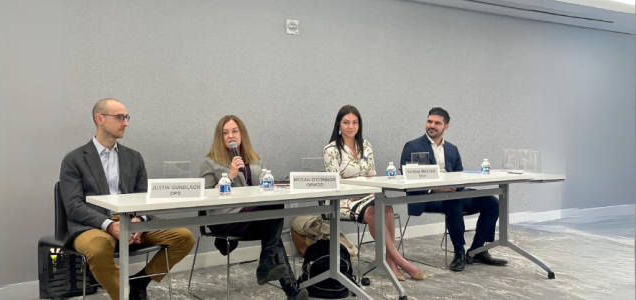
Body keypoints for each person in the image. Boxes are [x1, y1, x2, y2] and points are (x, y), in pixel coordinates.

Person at [59, 98, 195, 300]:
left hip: (130, 222)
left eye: (126, 117)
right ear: (100, 119)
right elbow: (74, 206)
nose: (126, 123)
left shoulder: (134, 157)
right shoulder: (74, 159)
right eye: (120, 117)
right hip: (94, 225)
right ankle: (126, 295)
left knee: (184, 237)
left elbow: (144, 197)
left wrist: (138, 221)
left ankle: (140, 281)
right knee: (97, 249)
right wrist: (108, 225)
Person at [199, 115, 308, 300]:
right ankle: (268, 267)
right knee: (273, 222)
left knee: (272, 232)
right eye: (225, 133)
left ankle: (290, 290)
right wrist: (231, 175)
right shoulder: (211, 162)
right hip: (224, 217)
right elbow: (205, 195)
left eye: (234, 131)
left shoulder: (255, 160)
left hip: (252, 218)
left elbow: (264, 190)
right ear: (220, 137)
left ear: (242, 134)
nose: (230, 136)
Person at [400, 107, 508, 272]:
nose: (432, 125)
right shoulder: (412, 146)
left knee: (491, 201)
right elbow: (407, 175)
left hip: (453, 193)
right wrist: (436, 189)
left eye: (437, 123)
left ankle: (478, 250)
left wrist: (455, 186)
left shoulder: (452, 148)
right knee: (454, 201)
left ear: (446, 127)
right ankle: (459, 252)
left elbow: (460, 176)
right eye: (429, 121)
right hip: (425, 196)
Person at [323, 105, 424, 281]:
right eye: (346, 122)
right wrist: (356, 191)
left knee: (385, 205)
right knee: (373, 212)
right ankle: (398, 260)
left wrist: (369, 191)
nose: (351, 126)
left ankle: (389, 261)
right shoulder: (331, 150)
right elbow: (333, 183)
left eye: (355, 122)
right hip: (342, 199)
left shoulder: (366, 146)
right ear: (338, 125)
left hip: (366, 195)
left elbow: (372, 176)